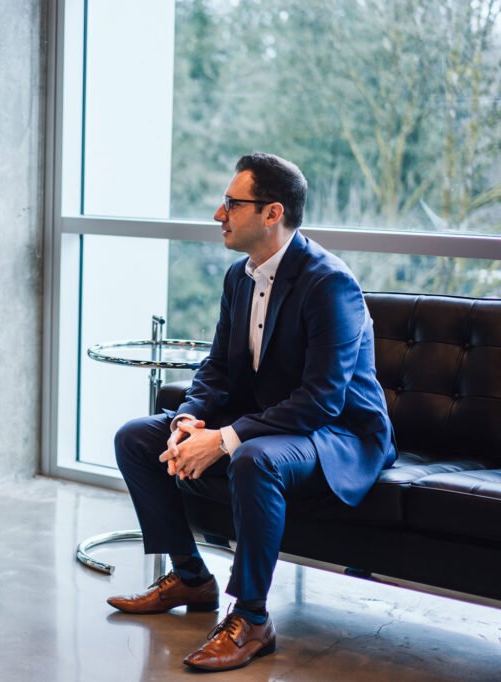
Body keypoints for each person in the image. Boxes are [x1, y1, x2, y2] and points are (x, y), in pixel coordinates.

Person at [106, 153, 396, 672]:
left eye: (231, 204)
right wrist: (188, 420)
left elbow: (322, 399)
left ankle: (253, 618)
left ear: (271, 213)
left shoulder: (329, 283)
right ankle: (192, 577)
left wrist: (222, 440)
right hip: (273, 423)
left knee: (253, 459)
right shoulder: (241, 277)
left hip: (337, 432)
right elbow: (217, 369)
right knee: (136, 437)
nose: (219, 214)